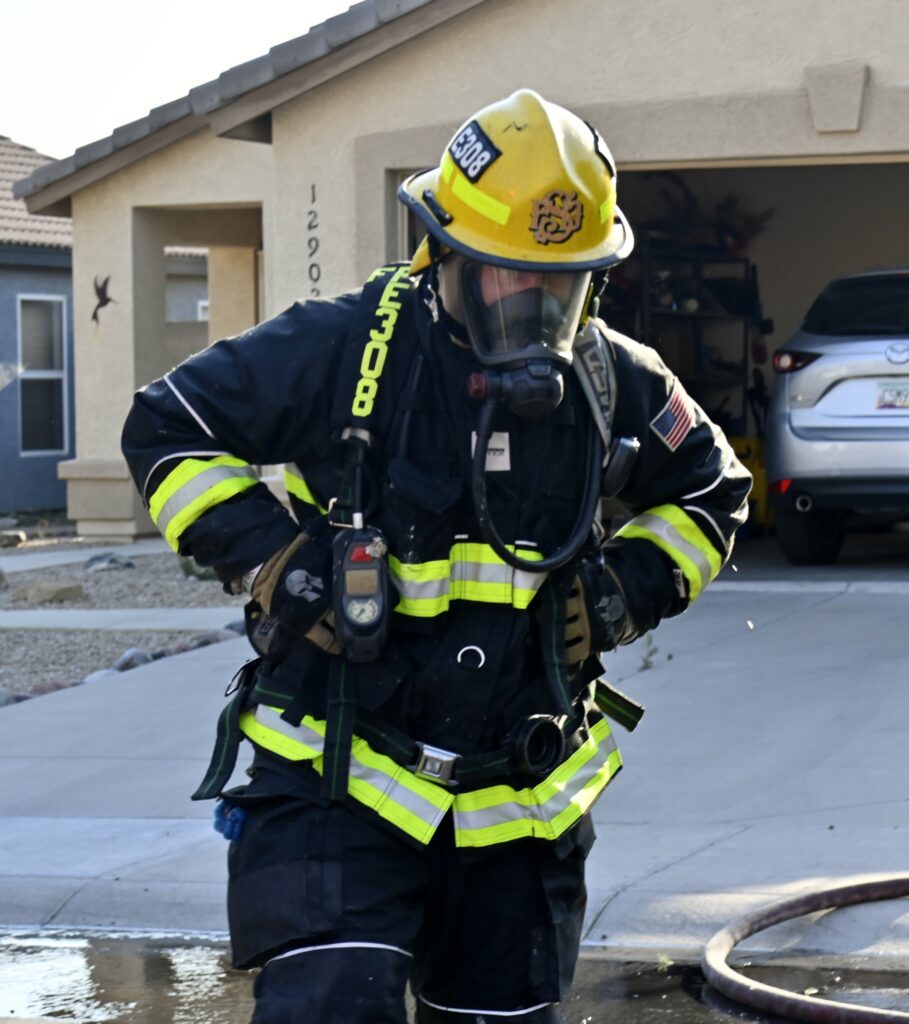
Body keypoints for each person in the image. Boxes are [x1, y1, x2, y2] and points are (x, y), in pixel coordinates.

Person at [122, 88, 751, 1024]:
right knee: (334, 1003)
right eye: (507, 275)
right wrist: (273, 559)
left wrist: (624, 592)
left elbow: (714, 488)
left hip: (517, 804)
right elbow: (168, 426)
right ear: (443, 250)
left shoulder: (614, 378)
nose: (535, 305)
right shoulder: (341, 348)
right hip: (337, 780)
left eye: (563, 283)